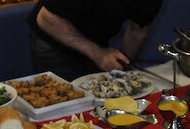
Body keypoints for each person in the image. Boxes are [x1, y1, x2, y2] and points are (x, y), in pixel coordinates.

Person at [28, 0, 162, 81]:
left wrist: (124, 64)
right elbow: (45, 18)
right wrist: (98, 54)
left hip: (98, 42)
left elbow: (138, 29)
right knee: (63, 106)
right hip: (54, 38)